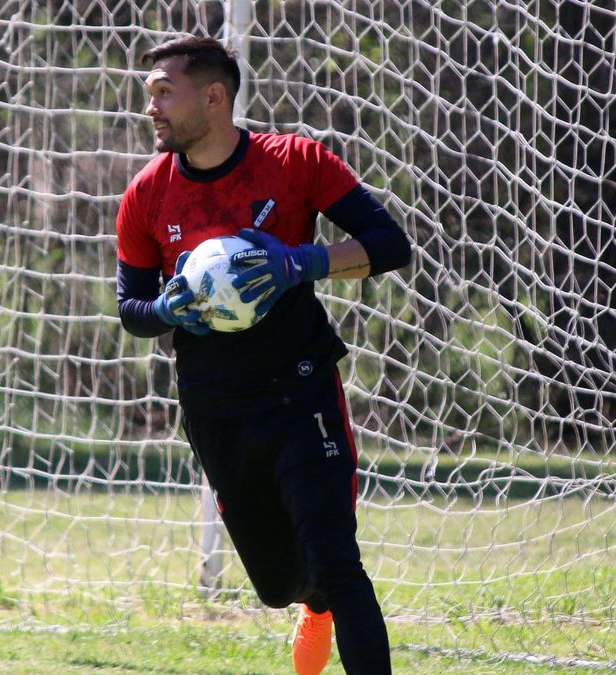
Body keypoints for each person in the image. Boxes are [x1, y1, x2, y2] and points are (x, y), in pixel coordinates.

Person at [115, 36, 410, 674]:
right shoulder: (145, 194)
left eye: (165, 93)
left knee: (337, 559)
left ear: (215, 97)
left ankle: (330, 595)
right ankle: (314, 605)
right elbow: (131, 310)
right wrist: (165, 311)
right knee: (280, 584)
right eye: (149, 96)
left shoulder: (294, 161)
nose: (152, 108)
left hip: (300, 389)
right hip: (217, 406)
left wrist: (301, 262)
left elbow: (388, 243)